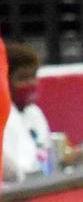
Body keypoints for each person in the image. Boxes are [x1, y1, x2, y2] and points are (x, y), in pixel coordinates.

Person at [2, 42, 52, 183]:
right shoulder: (6, 117)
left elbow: (45, 153)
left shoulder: (34, 113)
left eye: (33, 77)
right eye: (23, 79)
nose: (31, 84)